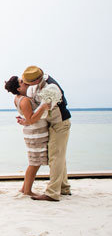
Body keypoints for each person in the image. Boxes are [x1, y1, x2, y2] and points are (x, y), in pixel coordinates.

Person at [20, 66, 72, 202]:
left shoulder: (51, 88)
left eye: (27, 82)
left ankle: (52, 193)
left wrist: (28, 121)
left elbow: (42, 112)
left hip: (60, 124)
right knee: (58, 156)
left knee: (55, 157)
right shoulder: (40, 83)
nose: (25, 84)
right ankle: (64, 187)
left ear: (35, 80)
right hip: (52, 124)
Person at [4, 75, 49, 196]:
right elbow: (31, 119)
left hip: (32, 131)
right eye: (21, 82)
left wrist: (25, 120)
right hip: (35, 133)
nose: (25, 82)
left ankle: (24, 188)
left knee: (34, 161)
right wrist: (43, 106)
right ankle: (27, 191)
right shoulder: (24, 101)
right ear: (18, 88)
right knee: (34, 163)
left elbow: (27, 119)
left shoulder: (19, 98)